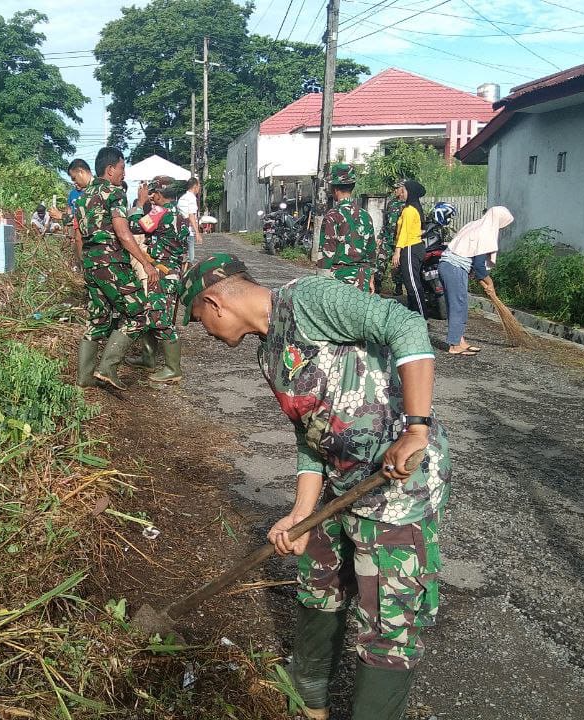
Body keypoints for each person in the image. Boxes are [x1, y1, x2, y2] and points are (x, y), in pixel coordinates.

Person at [179, 254, 450, 720]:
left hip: (397, 486)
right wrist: (301, 513)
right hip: (343, 484)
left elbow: (405, 324)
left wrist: (416, 429)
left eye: (199, 319)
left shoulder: (308, 300)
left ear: (214, 303)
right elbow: (310, 435)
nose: (205, 331)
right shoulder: (269, 352)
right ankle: (310, 701)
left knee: (388, 623)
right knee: (318, 581)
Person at [73, 147, 170, 390]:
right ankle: (107, 368)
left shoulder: (82, 197)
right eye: (122, 168)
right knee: (139, 314)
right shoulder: (114, 193)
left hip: (91, 265)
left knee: (97, 320)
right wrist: (146, 264)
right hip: (112, 264)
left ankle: (84, 379)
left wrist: (85, 265)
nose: (123, 174)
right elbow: (123, 233)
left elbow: (78, 237)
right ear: (110, 170)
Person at [126, 176, 188, 382]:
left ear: (160, 194)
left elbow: (134, 226)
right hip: (171, 272)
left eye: (153, 193)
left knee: (161, 320)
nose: (151, 197)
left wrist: (140, 203)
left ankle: (173, 369)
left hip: (162, 273)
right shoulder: (180, 215)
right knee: (151, 314)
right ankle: (148, 358)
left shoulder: (159, 212)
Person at [437, 207, 514, 356]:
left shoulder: (475, 225)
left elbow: (472, 259)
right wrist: (490, 283)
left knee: (459, 305)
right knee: (458, 306)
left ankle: (460, 341)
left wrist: (484, 282)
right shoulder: (486, 232)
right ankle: (454, 346)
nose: (502, 228)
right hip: (455, 268)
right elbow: (479, 267)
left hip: (447, 266)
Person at [317, 163, 376, 291]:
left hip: (339, 279)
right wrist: (371, 277)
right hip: (362, 278)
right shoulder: (365, 215)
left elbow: (327, 251)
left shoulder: (332, 215)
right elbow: (371, 250)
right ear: (352, 187)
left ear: (334, 189)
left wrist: (320, 282)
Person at [389, 180, 427, 316]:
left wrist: (397, 251)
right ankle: (413, 315)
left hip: (411, 247)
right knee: (410, 284)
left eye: (404, 190)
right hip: (411, 247)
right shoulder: (411, 208)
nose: (402, 193)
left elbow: (404, 232)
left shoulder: (410, 210)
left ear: (410, 193)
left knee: (413, 286)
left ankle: (422, 316)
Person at [374, 182, 404, 294]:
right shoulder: (391, 203)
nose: (395, 190)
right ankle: (377, 286)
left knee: (397, 265)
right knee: (380, 262)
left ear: (402, 189)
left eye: (397, 188)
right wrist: (380, 236)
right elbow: (386, 222)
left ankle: (398, 288)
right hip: (387, 239)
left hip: (399, 241)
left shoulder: (408, 205)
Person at [67, 159, 94, 271]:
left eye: (74, 178)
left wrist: (62, 217)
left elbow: (78, 238)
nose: (75, 182)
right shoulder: (74, 194)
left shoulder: (88, 195)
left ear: (81, 172)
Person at [178, 177, 203, 264]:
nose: (199, 189)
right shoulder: (191, 198)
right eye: (199, 186)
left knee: (183, 257)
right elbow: (191, 216)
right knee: (190, 259)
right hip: (189, 231)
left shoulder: (182, 198)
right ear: (195, 186)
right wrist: (197, 233)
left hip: (180, 230)